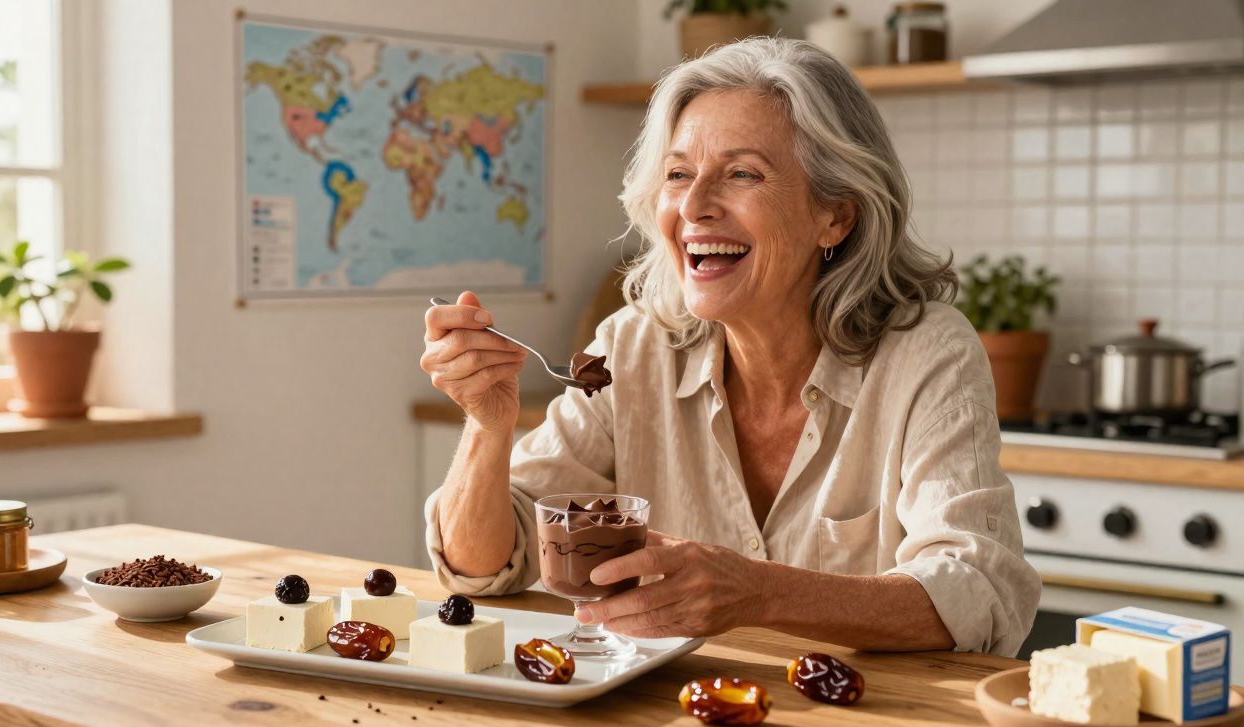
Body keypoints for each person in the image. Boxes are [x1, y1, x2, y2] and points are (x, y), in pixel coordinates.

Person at [419, 37, 1040, 656]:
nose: (693, 205)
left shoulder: (926, 353)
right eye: (678, 174)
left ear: (836, 216)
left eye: (742, 173)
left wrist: (760, 593)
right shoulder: (633, 348)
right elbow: (486, 566)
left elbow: (979, 594)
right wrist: (487, 426)